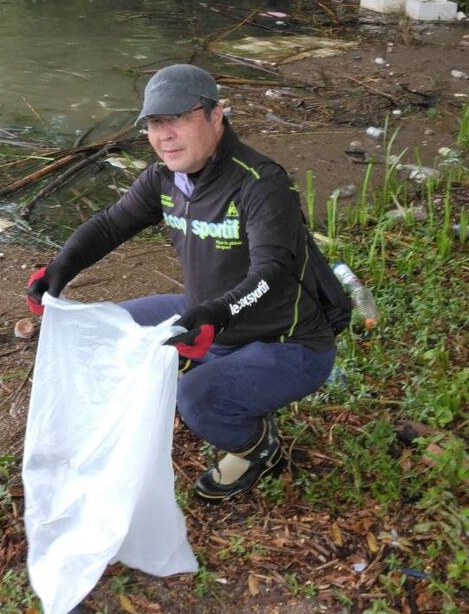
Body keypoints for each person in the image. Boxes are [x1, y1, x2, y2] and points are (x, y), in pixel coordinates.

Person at [26, 64, 351, 501]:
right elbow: (109, 226)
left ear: (216, 116)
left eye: (178, 118)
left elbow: (271, 272)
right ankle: (217, 375)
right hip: (207, 316)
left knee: (196, 400)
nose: (165, 135)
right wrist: (58, 272)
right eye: (155, 123)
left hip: (287, 343)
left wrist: (216, 315)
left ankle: (258, 447)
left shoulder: (260, 183)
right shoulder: (164, 179)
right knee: (109, 330)